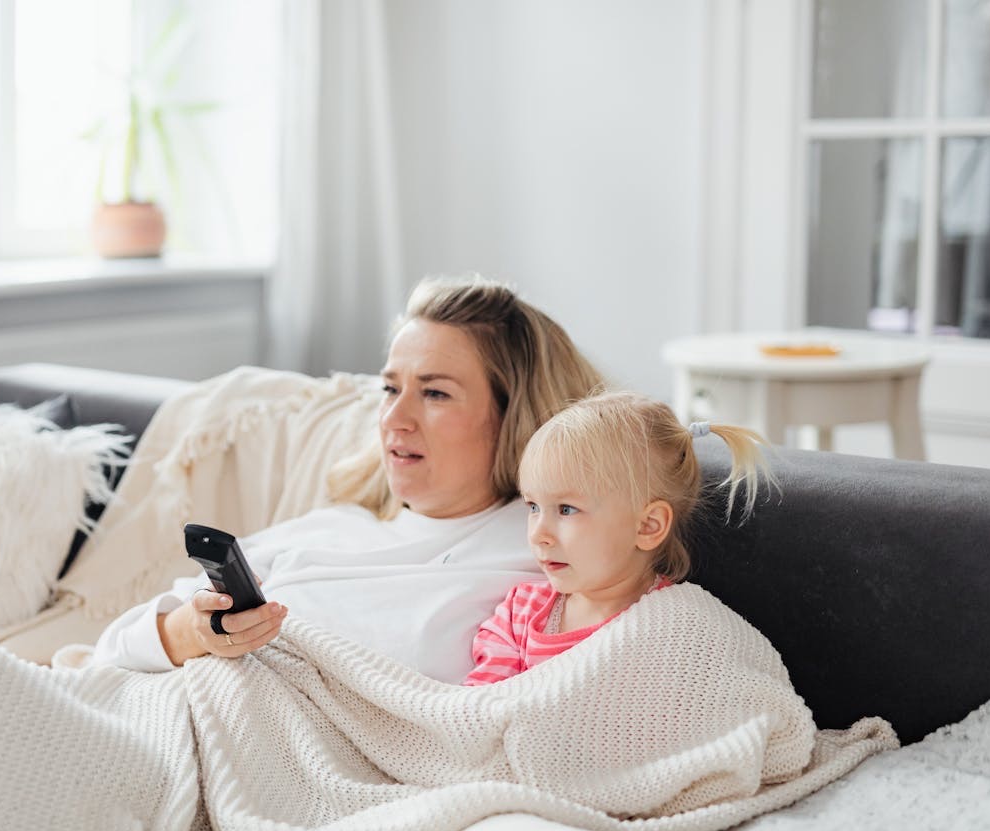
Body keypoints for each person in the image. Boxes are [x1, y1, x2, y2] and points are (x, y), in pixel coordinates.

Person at [91, 275, 605, 684]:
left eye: (435, 394)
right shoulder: (334, 527)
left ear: (516, 415)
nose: (394, 418)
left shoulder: (547, 559)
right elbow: (108, 652)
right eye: (389, 388)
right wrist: (191, 633)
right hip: (166, 714)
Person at [464, 390, 774, 686]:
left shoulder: (677, 627)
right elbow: (480, 710)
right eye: (533, 506)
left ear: (648, 527)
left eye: (567, 509)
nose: (539, 534)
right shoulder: (520, 613)